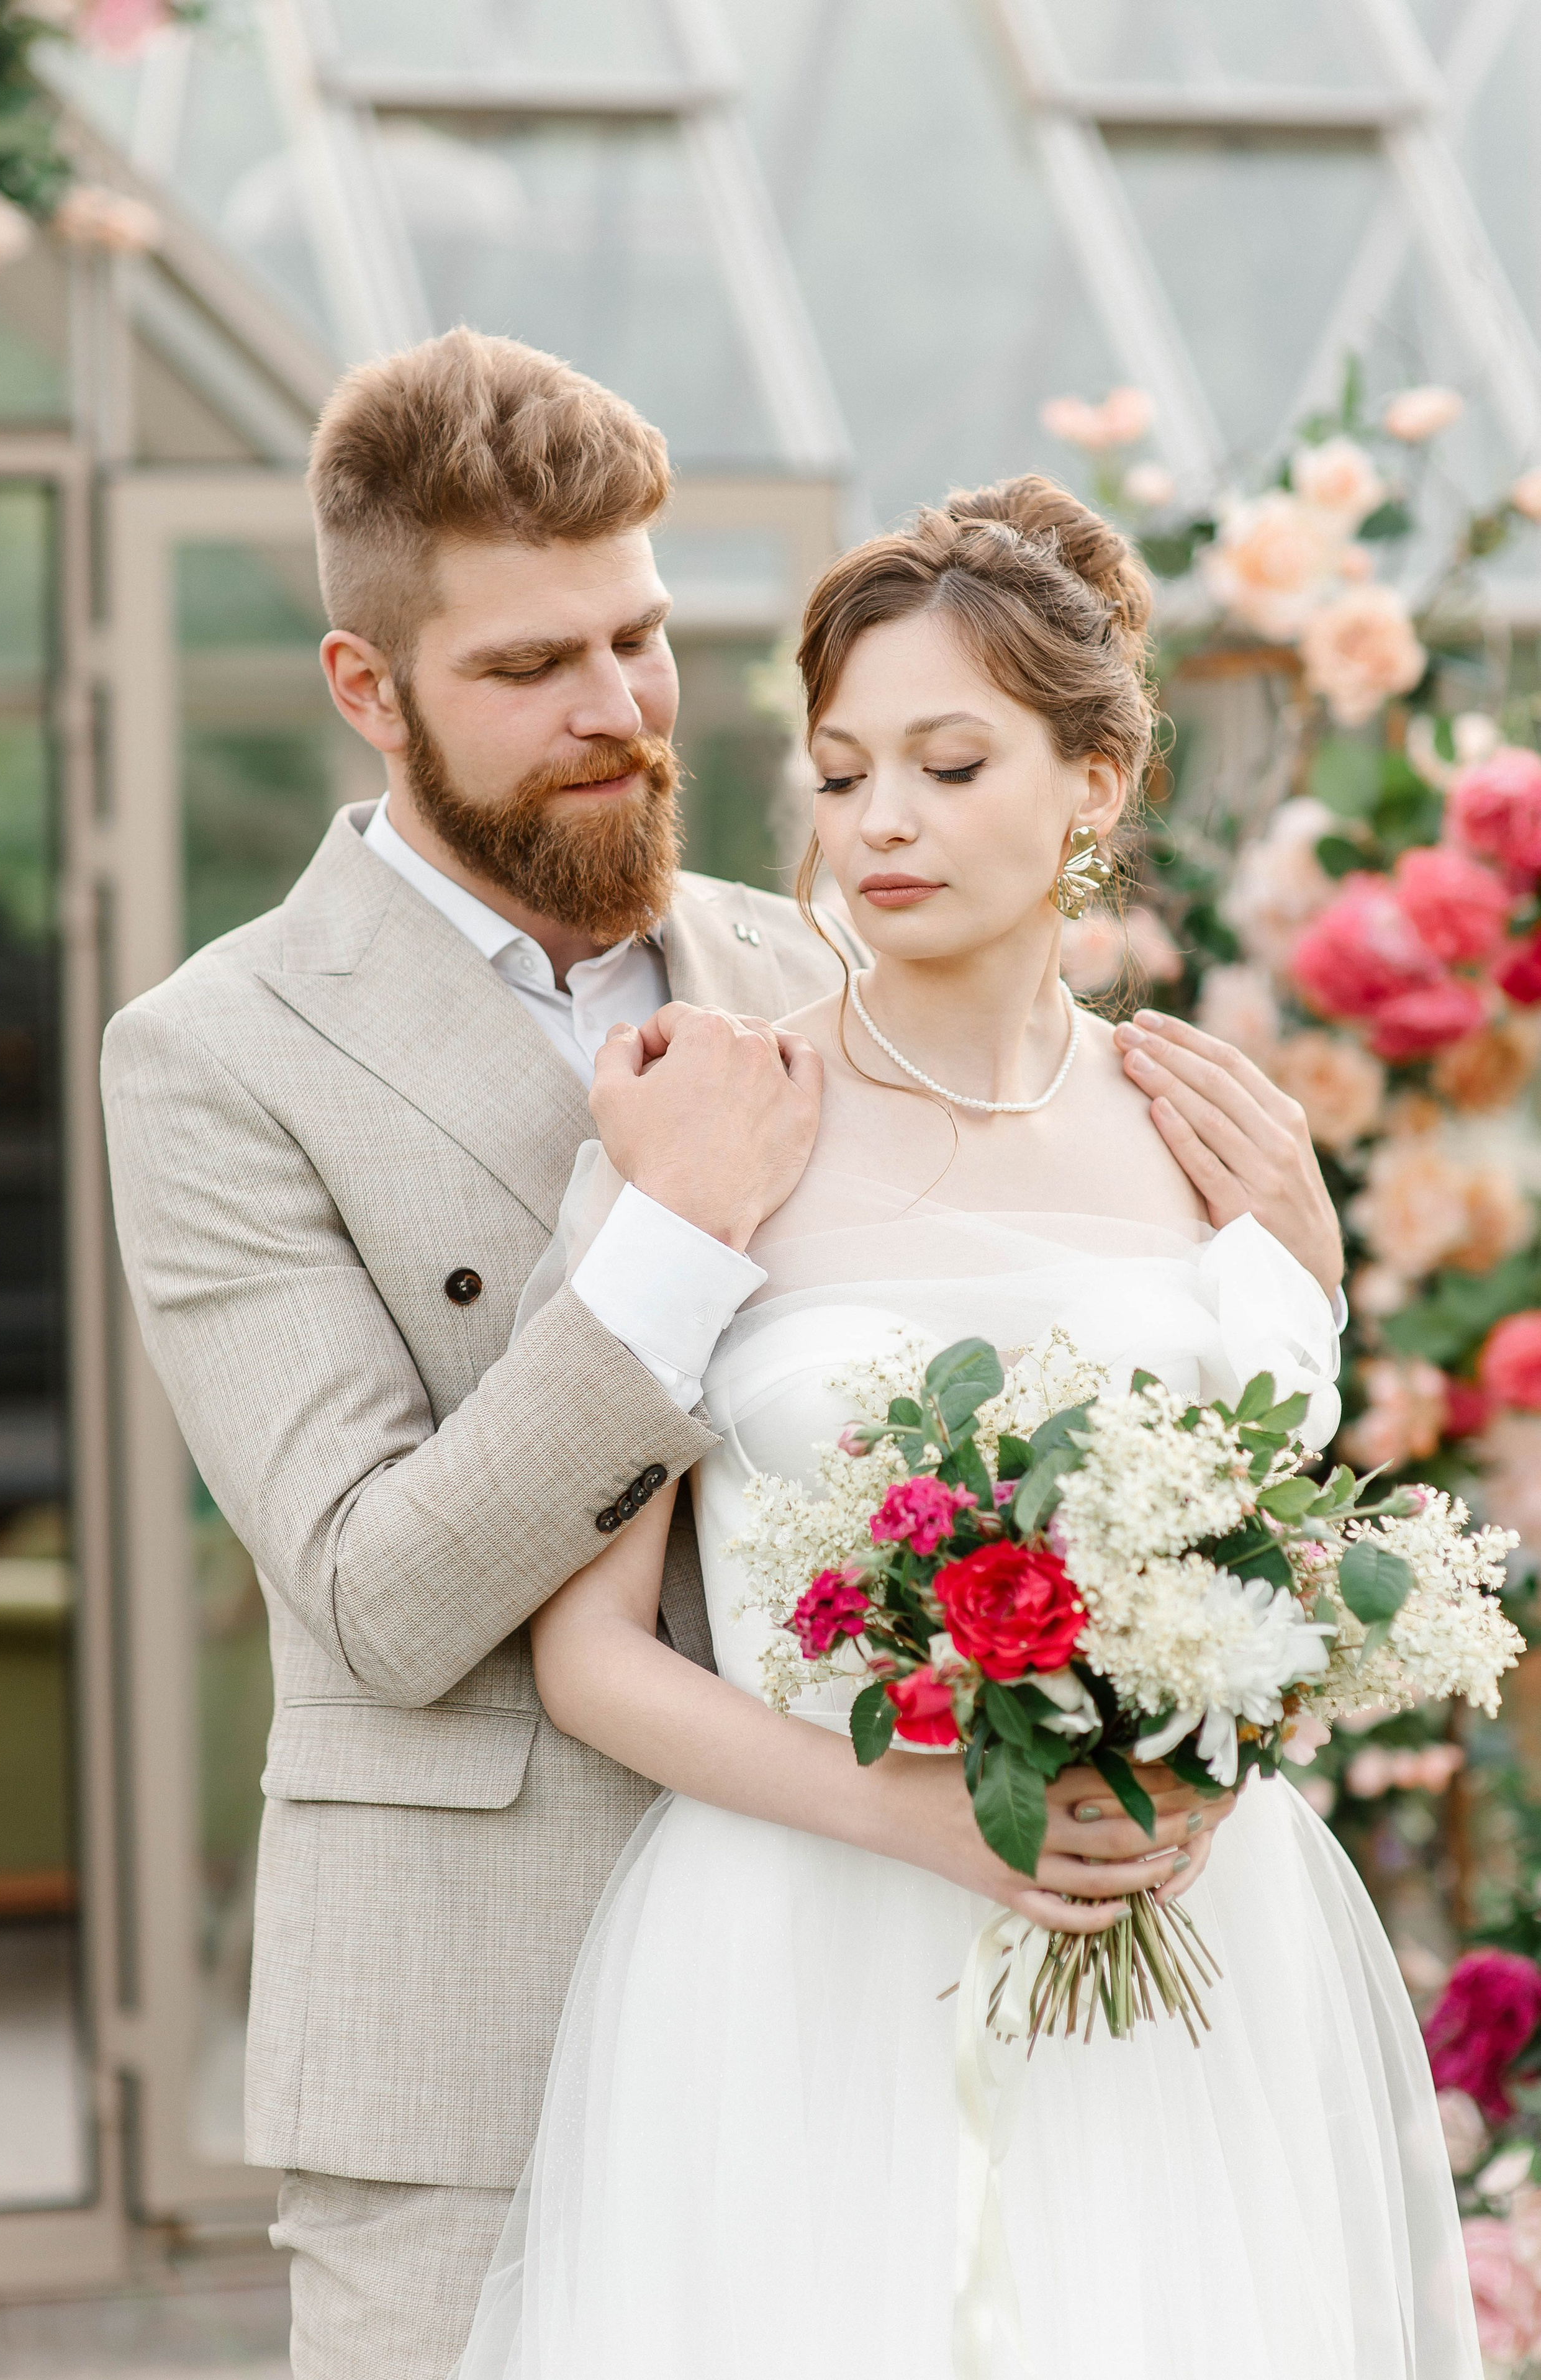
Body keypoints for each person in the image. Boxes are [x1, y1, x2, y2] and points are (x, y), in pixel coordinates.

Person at [100, 326, 1349, 2380]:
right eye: (528, 669)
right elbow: (381, 1597)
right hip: (471, 2039)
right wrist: (667, 1249)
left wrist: (1284, 1285)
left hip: (913, 1984)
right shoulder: (215, 1060)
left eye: (645, 638)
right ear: (366, 689)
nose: (615, 712)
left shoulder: (815, 958)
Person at [453, 480, 1479, 2380]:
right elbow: (584, 1649)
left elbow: (1295, 1568)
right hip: (796, 1944)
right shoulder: (719, 1127)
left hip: (1171, 1958)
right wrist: (907, 1808)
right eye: (843, 776)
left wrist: (1202, 1753)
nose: (882, 825)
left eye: (946, 761)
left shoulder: (1212, 1134)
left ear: (1097, 781)